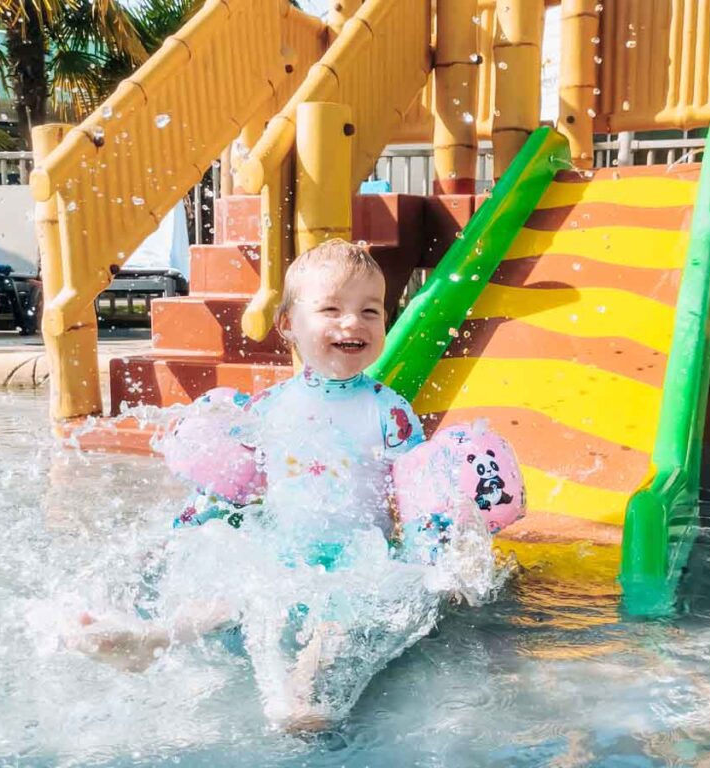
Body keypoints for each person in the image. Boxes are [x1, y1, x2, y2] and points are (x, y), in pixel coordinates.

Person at [71, 239, 439, 730]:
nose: (353, 323)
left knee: (338, 620)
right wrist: (185, 526)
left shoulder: (388, 410)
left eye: (370, 311)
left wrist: (434, 559)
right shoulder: (270, 407)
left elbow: (417, 495)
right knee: (234, 595)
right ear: (288, 323)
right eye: (331, 309)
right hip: (284, 544)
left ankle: (302, 694)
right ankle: (153, 640)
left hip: (356, 555)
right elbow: (233, 488)